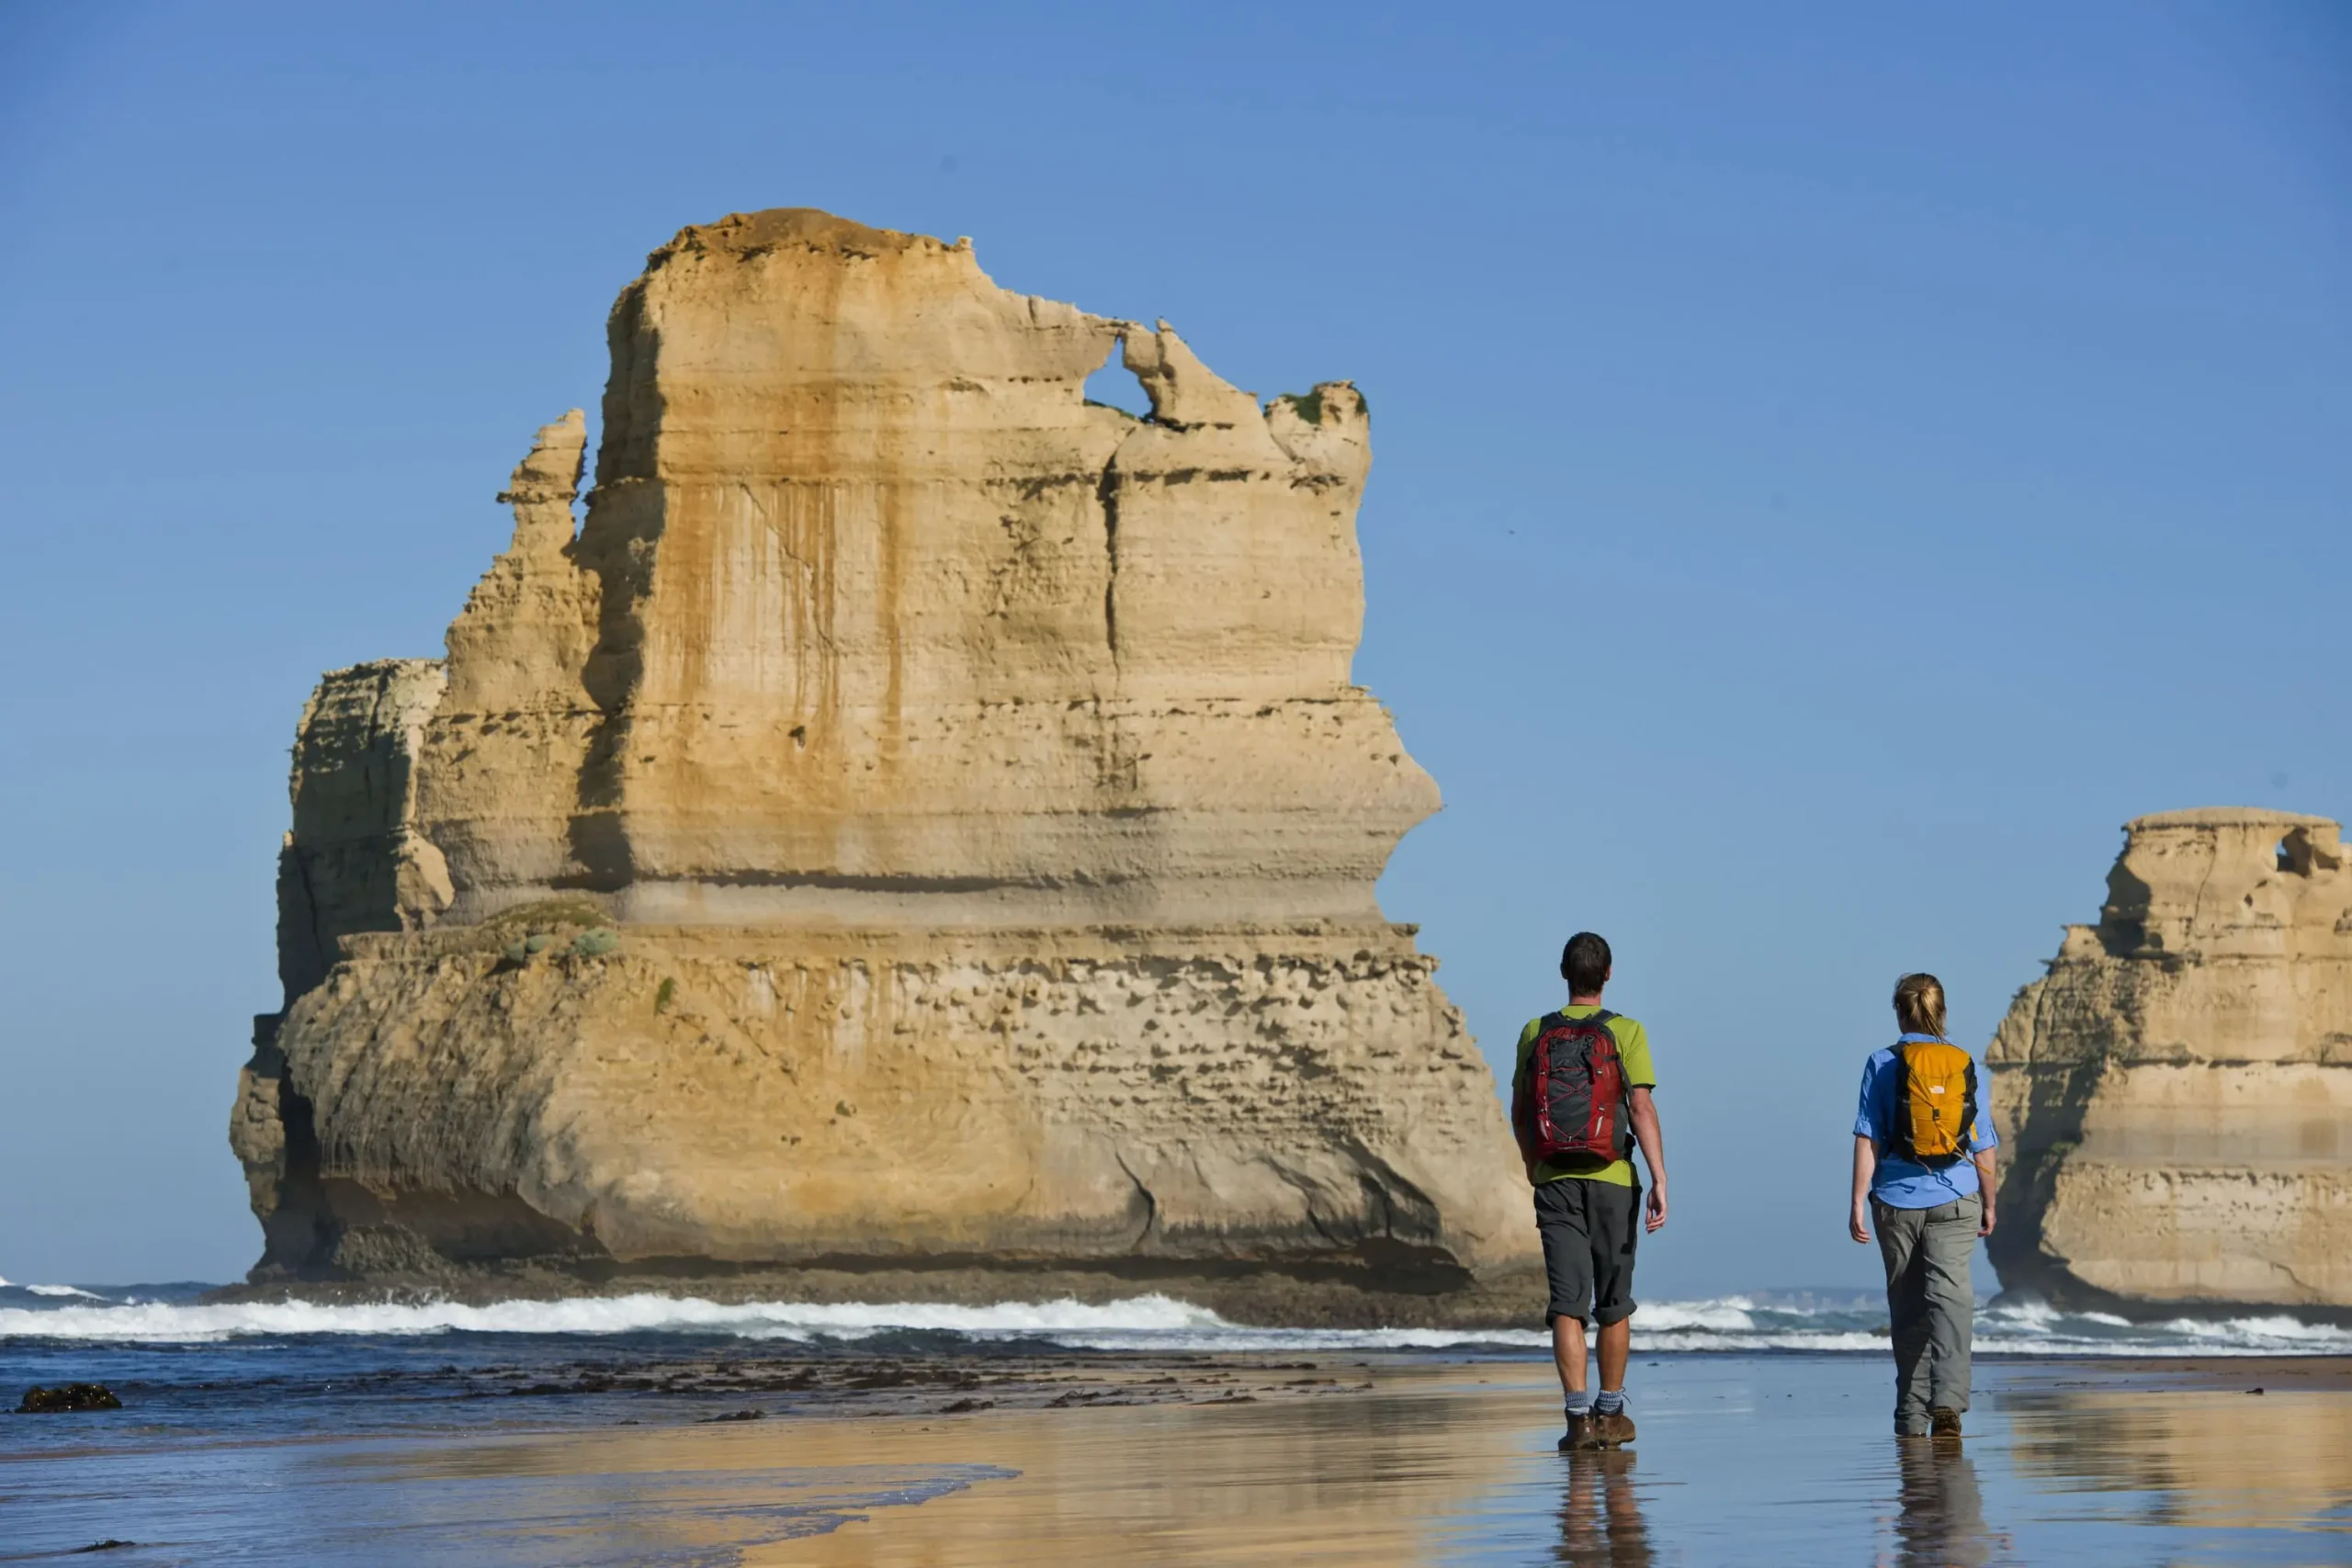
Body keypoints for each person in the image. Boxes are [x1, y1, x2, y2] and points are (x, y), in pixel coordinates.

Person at [1512, 931, 1668, 1451]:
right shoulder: (1626, 1031)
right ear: (1608, 974)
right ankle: (1611, 1414)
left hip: (1554, 1179)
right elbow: (1641, 1108)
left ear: (1563, 973)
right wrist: (1660, 1178)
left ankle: (1576, 1421)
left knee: (1566, 1306)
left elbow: (1520, 1112)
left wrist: (1535, 1164)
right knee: (1614, 1303)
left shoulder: (1535, 1031)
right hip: (1613, 1181)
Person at [1849, 973, 1997, 1439]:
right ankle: (1949, 1402)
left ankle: (1911, 1416)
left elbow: (1867, 1136)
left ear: (1899, 1011)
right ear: (1942, 1011)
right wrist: (1990, 1203)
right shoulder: (1962, 1063)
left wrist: (1857, 1200)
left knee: (1908, 1306)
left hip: (1895, 1201)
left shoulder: (1881, 1062)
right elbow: (1984, 1145)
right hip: (1956, 1198)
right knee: (1951, 1299)